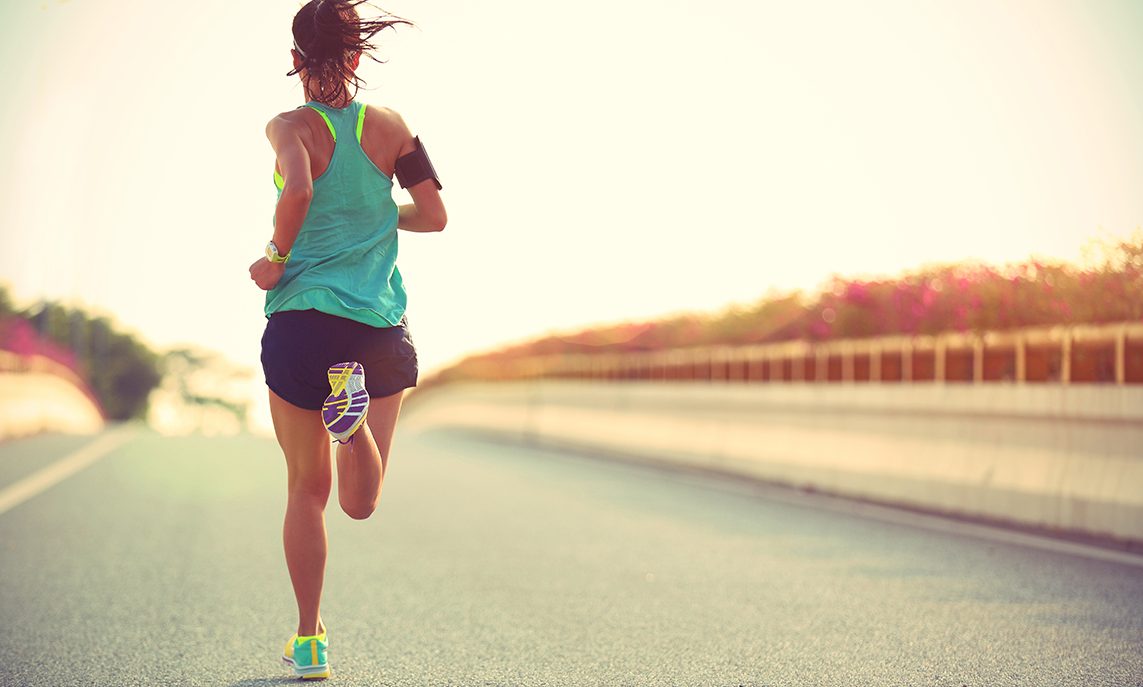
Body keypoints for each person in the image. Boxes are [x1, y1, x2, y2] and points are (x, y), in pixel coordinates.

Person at [248, 0, 446, 679]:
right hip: (377, 329)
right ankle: (351, 423)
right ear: (359, 57)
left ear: (296, 61)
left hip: (303, 321)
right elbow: (436, 215)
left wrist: (274, 255)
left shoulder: (288, 125)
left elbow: (298, 191)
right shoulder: (391, 127)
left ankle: (309, 640)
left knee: (307, 489)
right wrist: (375, 215)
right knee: (362, 501)